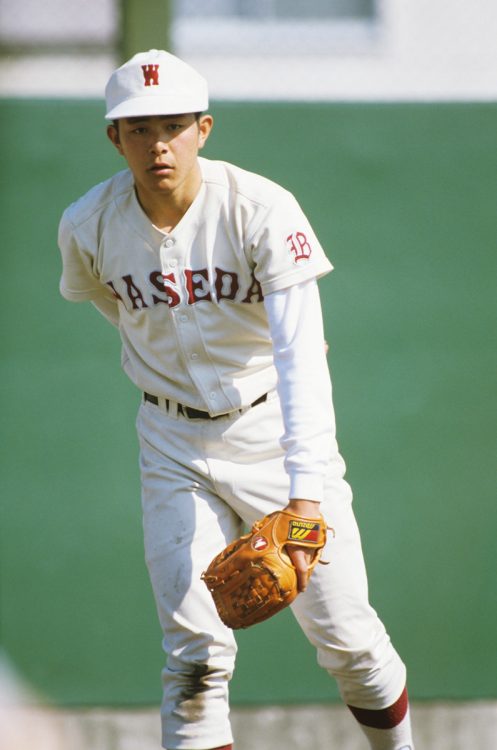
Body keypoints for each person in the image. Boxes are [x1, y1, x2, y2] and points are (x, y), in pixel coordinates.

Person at [57, 49, 415, 750]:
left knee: (349, 643)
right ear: (113, 138)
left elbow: (302, 359)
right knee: (193, 660)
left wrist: (305, 503)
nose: (158, 144)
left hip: (274, 435)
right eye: (137, 129)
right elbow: (117, 308)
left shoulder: (260, 208)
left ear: (204, 127)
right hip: (171, 445)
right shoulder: (86, 224)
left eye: (173, 125)